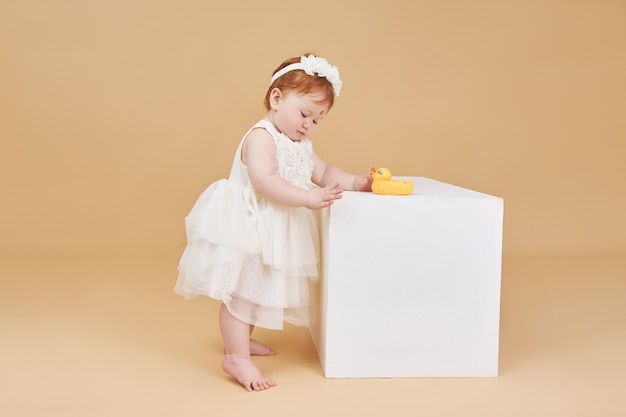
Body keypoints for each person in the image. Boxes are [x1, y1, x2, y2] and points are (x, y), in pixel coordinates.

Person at [175, 53, 372, 391]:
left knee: (256, 290)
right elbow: (264, 180)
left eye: (317, 120)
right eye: (304, 114)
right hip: (250, 225)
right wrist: (308, 198)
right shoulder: (262, 136)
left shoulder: (300, 144)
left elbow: (323, 172)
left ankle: (240, 342)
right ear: (277, 98)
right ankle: (236, 358)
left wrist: (354, 182)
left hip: (273, 229)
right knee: (241, 295)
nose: (308, 125)